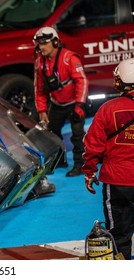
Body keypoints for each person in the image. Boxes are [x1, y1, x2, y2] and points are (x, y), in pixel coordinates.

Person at [82, 58, 134, 260]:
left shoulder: (108, 108)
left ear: (120, 82)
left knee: (119, 233)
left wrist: (89, 172)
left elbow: (92, 144)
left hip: (117, 181)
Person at [33, 26, 88, 177]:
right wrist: (42, 110)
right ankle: (59, 160)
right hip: (56, 103)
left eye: (44, 43)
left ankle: (80, 164)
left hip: (74, 103)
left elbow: (81, 81)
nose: (41, 47)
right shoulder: (39, 63)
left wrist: (79, 105)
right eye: (39, 44)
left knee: (77, 134)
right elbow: (39, 89)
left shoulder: (70, 58)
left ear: (55, 42)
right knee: (53, 133)